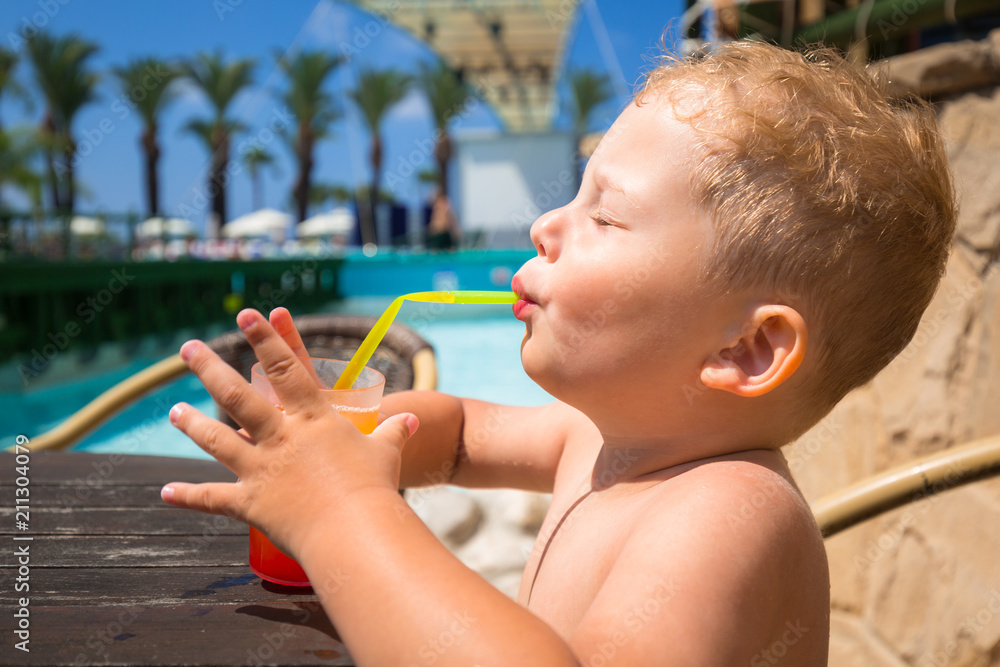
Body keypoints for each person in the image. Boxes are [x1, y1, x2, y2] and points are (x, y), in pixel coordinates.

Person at [160, 41, 956, 666]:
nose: (548, 223)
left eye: (604, 215)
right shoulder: (601, 440)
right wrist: (343, 439)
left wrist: (342, 514)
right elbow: (464, 433)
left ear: (746, 347)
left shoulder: (731, 516)